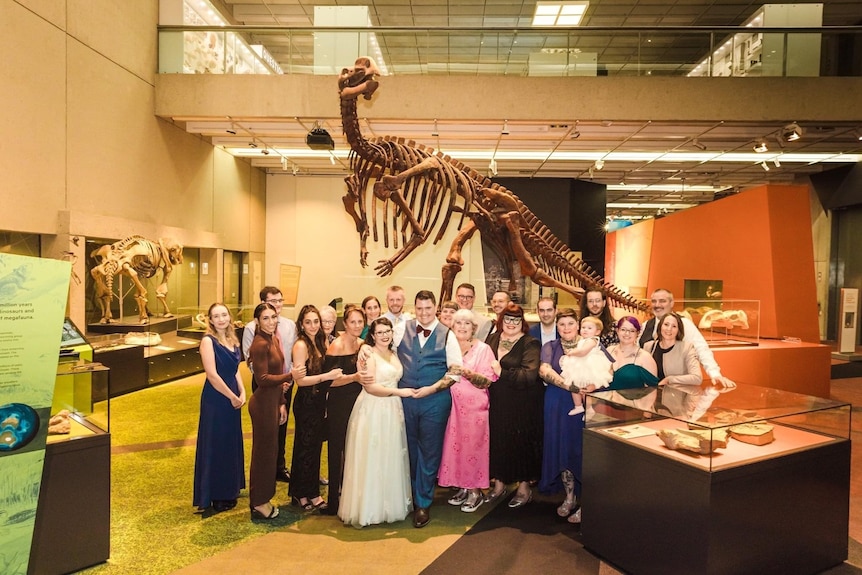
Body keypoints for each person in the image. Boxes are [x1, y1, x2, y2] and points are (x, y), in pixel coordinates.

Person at [379, 289, 462, 528]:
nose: (424, 313)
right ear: (414, 308)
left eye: (428, 308)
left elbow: (455, 370)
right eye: (420, 308)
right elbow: (382, 348)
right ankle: (409, 497)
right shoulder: (401, 329)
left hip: (434, 401)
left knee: (429, 451)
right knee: (407, 449)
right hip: (405, 399)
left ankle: (423, 503)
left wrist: (433, 388)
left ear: (435, 308)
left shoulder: (448, 335)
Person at [339, 318, 414, 528]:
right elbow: (371, 387)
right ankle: (369, 509)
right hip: (373, 409)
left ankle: (389, 505)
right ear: (372, 335)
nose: (384, 335)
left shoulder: (394, 353)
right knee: (372, 457)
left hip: (392, 410)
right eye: (379, 332)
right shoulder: (368, 354)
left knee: (389, 455)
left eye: (387, 331)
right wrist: (399, 392)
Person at [439, 309, 498, 513]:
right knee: (454, 448)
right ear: (452, 326)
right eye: (458, 323)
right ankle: (463, 487)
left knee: (473, 448)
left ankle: (475, 492)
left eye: (467, 323)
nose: (462, 327)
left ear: (474, 327)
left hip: (474, 409)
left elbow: (487, 382)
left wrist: (467, 373)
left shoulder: (483, 349)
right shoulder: (448, 347)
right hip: (451, 407)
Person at [485, 302, 543, 509]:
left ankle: (524, 489)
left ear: (522, 322)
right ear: (501, 320)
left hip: (523, 401)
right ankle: (498, 486)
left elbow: (529, 374)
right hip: (498, 399)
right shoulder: (492, 338)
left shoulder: (530, 343)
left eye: (516, 319)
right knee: (498, 440)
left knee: (521, 443)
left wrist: (501, 372)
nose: (511, 323)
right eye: (507, 319)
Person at [538, 308, 591, 525]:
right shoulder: (550, 347)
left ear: (578, 324)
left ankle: (587, 503)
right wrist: (569, 385)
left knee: (582, 453)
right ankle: (569, 497)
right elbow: (544, 371)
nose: (566, 328)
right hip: (556, 405)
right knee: (561, 450)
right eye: (562, 324)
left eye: (570, 323)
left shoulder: (590, 345)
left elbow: (607, 368)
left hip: (584, 406)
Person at [289, 305, 343, 512]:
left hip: (319, 402)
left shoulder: (319, 341)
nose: (313, 326)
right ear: (301, 324)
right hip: (306, 402)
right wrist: (326, 377)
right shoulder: (301, 345)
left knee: (313, 449)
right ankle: (306, 493)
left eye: (316, 321)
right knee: (306, 449)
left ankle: (303, 491)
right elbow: (300, 381)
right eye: (308, 322)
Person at [193, 303, 246, 513]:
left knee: (230, 442)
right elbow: (212, 375)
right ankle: (215, 494)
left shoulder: (232, 339)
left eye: (224, 314)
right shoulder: (208, 341)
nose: (222, 319)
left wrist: (242, 392)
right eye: (217, 316)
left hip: (233, 395)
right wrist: (232, 396)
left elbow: (235, 369)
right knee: (216, 443)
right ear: (211, 320)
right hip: (217, 399)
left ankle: (230, 488)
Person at [242, 286, 297, 484]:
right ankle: (263, 477)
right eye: (273, 301)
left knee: (281, 427)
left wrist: (287, 381)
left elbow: (291, 355)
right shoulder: (252, 330)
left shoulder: (290, 325)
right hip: (264, 386)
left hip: (286, 385)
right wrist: (281, 379)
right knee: (265, 434)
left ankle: (279, 467)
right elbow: (253, 365)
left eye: (280, 301)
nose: (277, 305)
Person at [247, 302, 291, 521]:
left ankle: (262, 499)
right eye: (266, 318)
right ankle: (259, 503)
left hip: (272, 403)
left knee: (270, 453)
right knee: (263, 456)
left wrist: (282, 401)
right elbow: (262, 379)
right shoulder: (259, 344)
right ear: (257, 321)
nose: (271, 321)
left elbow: (277, 373)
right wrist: (291, 376)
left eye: (273, 317)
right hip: (262, 405)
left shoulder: (271, 338)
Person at [639, 288, 735, 388]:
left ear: (671, 303)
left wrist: (715, 374)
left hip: (675, 389)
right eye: (654, 301)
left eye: (662, 301)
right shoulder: (645, 325)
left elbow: (701, 348)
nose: (657, 305)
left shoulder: (684, 324)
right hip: (649, 387)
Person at [321, 305, 366, 515]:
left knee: (354, 449)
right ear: (345, 324)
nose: (357, 326)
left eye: (360, 322)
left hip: (359, 403)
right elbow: (329, 383)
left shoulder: (363, 344)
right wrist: (354, 377)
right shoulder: (336, 347)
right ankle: (333, 501)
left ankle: (350, 496)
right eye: (353, 322)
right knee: (336, 449)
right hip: (339, 403)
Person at [560, 316, 613, 417]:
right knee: (575, 386)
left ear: (597, 332)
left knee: (584, 388)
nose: (585, 330)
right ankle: (578, 406)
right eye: (583, 327)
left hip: (588, 365)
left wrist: (572, 352)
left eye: (589, 328)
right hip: (580, 364)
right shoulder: (583, 340)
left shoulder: (592, 340)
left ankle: (588, 408)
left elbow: (583, 352)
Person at [642, 312, 703, 387]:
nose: (669, 329)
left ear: (678, 330)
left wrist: (670, 380)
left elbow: (697, 378)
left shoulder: (687, 348)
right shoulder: (648, 346)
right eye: (666, 324)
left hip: (677, 396)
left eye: (674, 326)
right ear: (660, 326)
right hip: (652, 395)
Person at [608, 316, 659, 390]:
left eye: (632, 331)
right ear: (617, 330)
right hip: (604, 399)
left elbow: (653, 390)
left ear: (637, 333)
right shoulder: (609, 350)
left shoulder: (645, 357)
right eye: (623, 329)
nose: (627, 333)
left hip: (631, 401)